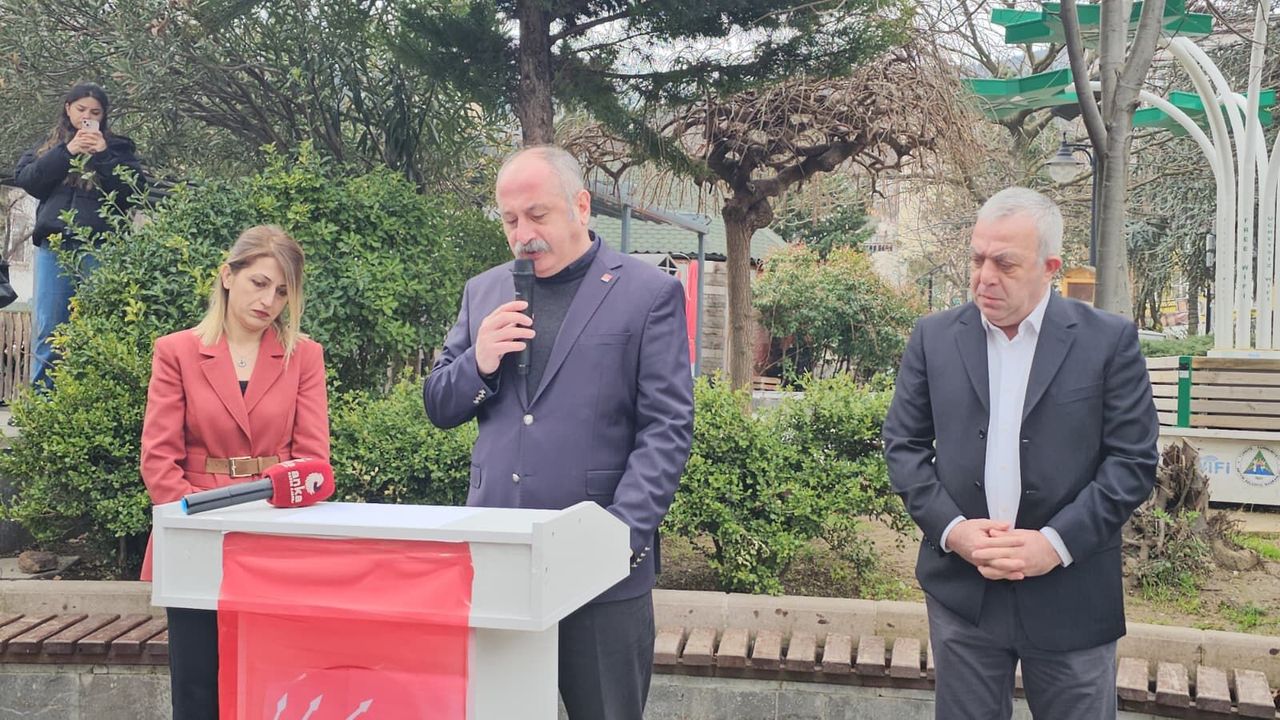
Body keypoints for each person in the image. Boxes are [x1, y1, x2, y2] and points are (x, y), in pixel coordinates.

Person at [424, 145, 694, 719]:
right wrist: (479, 362)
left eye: (537, 215)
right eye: (509, 220)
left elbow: (667, 427)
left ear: (581, 205)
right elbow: (440, 404)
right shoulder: (484, 291)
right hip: (499, 557)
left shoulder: (647, 292)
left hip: (602, 568)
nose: (523, 234)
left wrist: (618, 535)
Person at [883, 187, 1158, 720]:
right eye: (977, 259)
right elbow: (904, 446)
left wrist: (1054, 544)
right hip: (963, 595)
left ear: (1050, 267)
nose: (985, 277)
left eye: (1005, 264)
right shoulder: (934, 337)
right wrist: (954, 532)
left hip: (1072, 593)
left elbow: (1132, 462)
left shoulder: (1108, 341)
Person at [139, 225, 329, 720]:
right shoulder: (176, 351)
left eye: (282, 292)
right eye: (259, 283)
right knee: (197, 685)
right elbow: (159, 459)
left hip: (275, 532)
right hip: (193, 528)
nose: (269, 301)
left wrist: (276, 512)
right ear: (228, 276)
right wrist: (193, 520)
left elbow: (313, 460)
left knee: (274, 682)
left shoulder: (304, 356)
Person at [13, 82, 145, 389]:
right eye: (81, 109)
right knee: (50, 328)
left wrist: (103, 155)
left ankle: (91, 400)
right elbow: (29, 180)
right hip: (55, 247)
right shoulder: (49, 146)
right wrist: (67, 151)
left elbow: (132, 191)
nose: (87, 116)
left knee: (98, 325)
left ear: (104, 115)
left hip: (100, 247)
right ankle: (45, 404)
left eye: (95, 112)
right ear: (68, 109)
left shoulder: (118, 148)